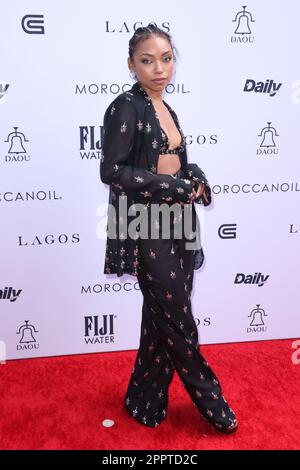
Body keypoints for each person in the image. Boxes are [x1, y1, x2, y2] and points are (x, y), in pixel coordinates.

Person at [100, 23, 238, 434]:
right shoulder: (126, 106)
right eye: (147, 60)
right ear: (131, 64)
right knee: (178, 320)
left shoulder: (166, 107)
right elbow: (113, 171)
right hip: (145, 222)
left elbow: (175, 158)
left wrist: (193, 178)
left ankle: (143, 400)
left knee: (160, 318)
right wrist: (173, 185)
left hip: (179, 219)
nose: (159, 68)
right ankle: (213, 404)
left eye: (166, 58)